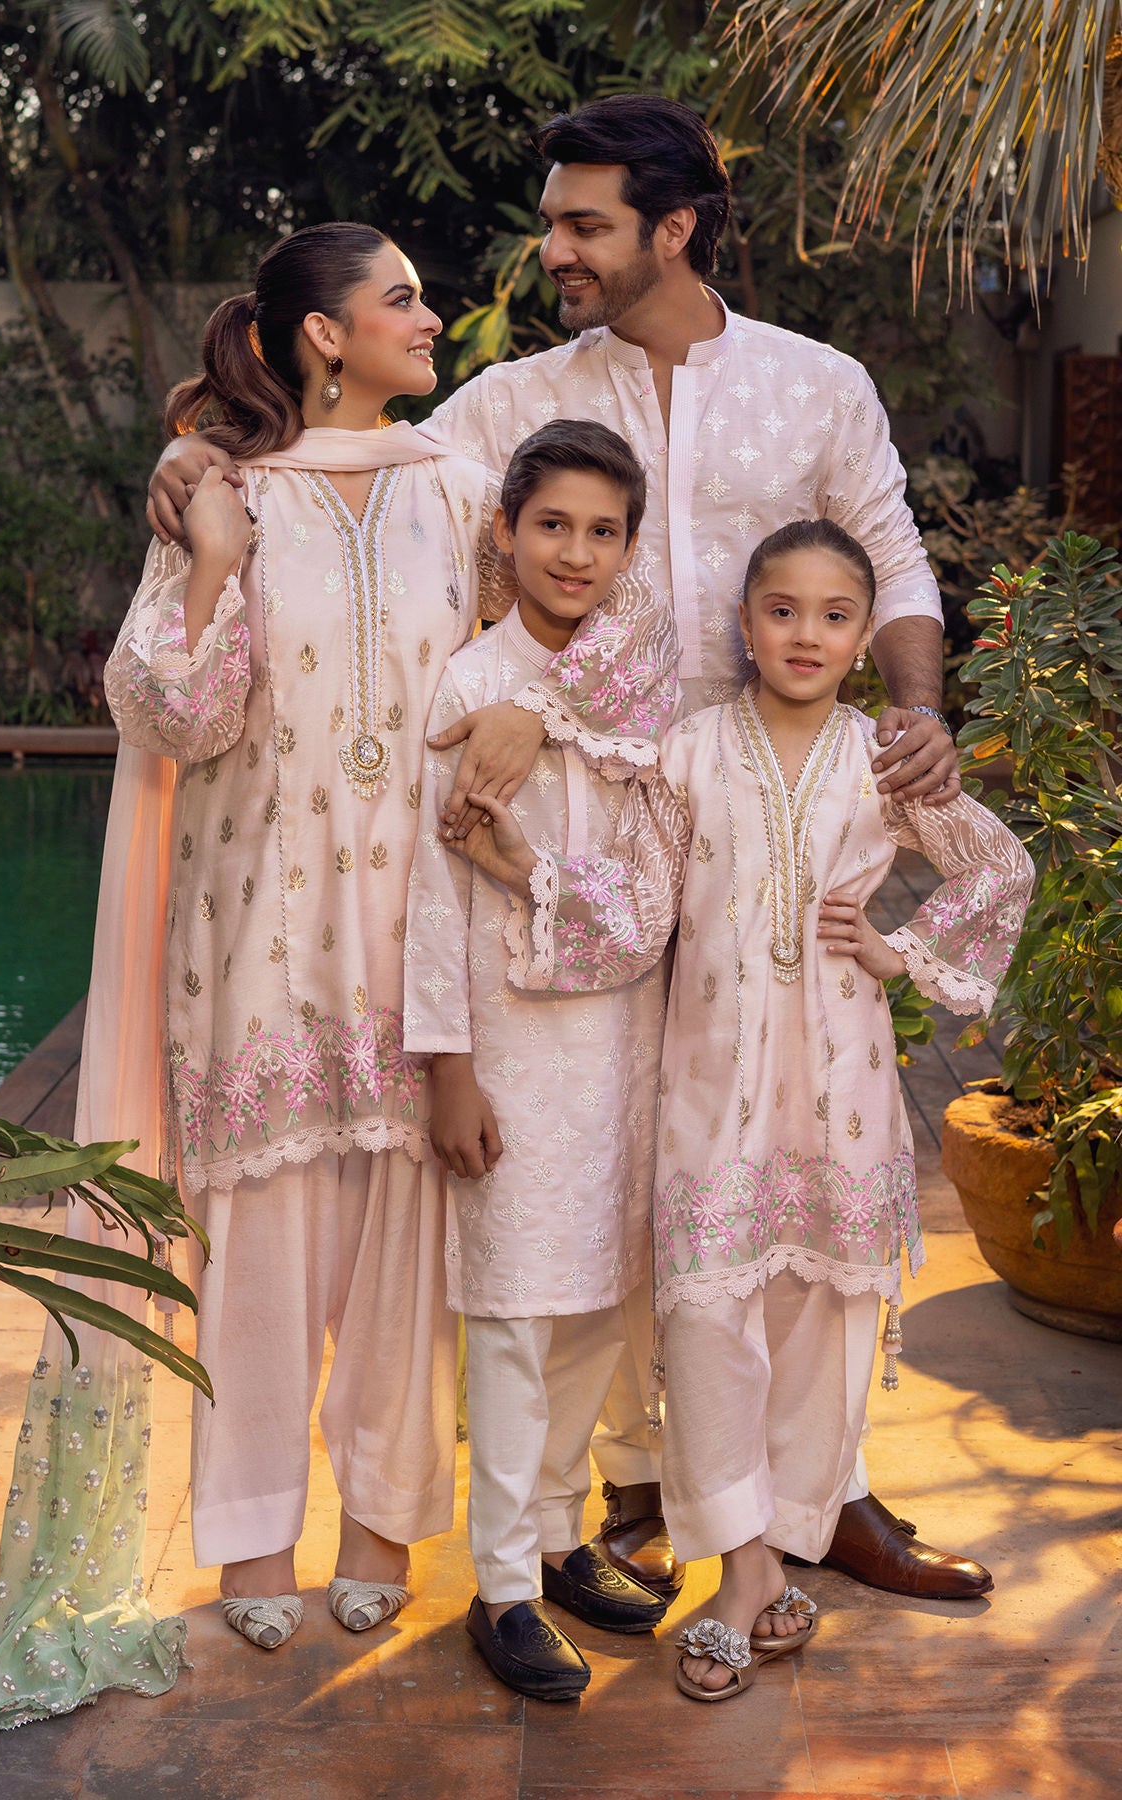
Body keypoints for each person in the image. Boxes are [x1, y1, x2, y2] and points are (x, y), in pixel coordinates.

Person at [145, 93, 989, 1602]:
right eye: (555, 224)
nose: (554, 252)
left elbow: (897, 558)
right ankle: (648, 1487)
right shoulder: (510, 404)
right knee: (620, 1164)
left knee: (802, 1148)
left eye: (584, 224)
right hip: (587, 852)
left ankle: (824, 1489)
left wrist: (917, 708)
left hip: (775, 833)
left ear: (676, 227)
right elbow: (345, 457)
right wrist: (200, 461)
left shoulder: (818, 385)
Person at [0, 222, 676, 1727]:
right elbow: (170, 715)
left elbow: (613, 624)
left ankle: (380, 1529)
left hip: (426, 935)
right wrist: (209, 558)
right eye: (402, 300)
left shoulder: (458, 489)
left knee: (406, 1234)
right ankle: (251, 1538)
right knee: (259, 1239)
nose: (431, 319)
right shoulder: (223, 494)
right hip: (260, 931)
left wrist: (542, 715)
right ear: (323, 333)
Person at [452, 518, 1034, 1699]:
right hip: (712, 1089)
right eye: (782, 610)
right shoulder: (690, 751)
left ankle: (768, 1566)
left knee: (824, 1327)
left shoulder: (885, 760)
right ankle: (745, 1568)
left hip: (841, 1090)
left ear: (862, 638)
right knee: (711, 1328)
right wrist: (527, 872)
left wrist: (902, 951)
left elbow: (998, 867)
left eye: (834, 615)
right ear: (746, 624)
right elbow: (642, 906)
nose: (806, 634)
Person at [405, 421, 672, 1700]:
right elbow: (432, 893)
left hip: (623, 1040)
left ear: (630, 549)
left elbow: (661, 866)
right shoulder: (469, 684)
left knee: (596, 1302)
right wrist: (448, 1066)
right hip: (508, 1044)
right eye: (553, 524)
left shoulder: (639, 686)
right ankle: (503, 1584)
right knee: (513, 1314)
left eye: (603, 531)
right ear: (505, 533)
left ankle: (564, 1540)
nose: (576, 552)